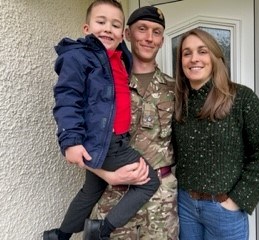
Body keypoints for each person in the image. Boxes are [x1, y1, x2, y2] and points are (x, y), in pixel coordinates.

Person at [43, 1, 161, 239]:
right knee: (149, 181)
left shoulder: (118, 58)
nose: (108, 28)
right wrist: (70, 140)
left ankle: (60, 234)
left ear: (122, 34)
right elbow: (67, 98)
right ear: (86, 28)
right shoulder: (79, 57)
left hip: (110, 138)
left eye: (115, 25)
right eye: (101, 22)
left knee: (91, 189)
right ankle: (102, 230)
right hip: (107, 141)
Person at [172, 28, 259, 240]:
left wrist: (236, 200)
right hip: (185, 207)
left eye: (202, 51)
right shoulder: (178, 103)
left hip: (223, 211)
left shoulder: (241, 99)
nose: (194, 59)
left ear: (215, 57)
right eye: (187, 53)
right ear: (181, 62)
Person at [90, 6, 179, 240]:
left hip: (161, 202)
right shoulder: (104, 84)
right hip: (113, 196)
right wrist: (106, 175)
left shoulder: (175, 89)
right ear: (127, 34)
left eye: (156, 32)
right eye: (142, 29)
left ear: (162, 40)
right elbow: (78, 142)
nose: (149, 38)